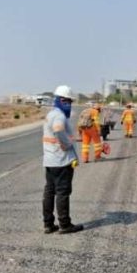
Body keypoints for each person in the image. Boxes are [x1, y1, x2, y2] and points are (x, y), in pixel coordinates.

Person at [42, 85, 83, 234]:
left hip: (50, 160)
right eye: (68, 101)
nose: (69, 104)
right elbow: (58, 130)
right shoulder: (59, 115)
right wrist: (66, 144)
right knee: (62, 192)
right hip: (61, 161)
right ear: (62, 100)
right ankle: (65, 225)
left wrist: (71, 140)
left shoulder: (51, 114)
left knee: (49, 192)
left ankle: (48, 224)